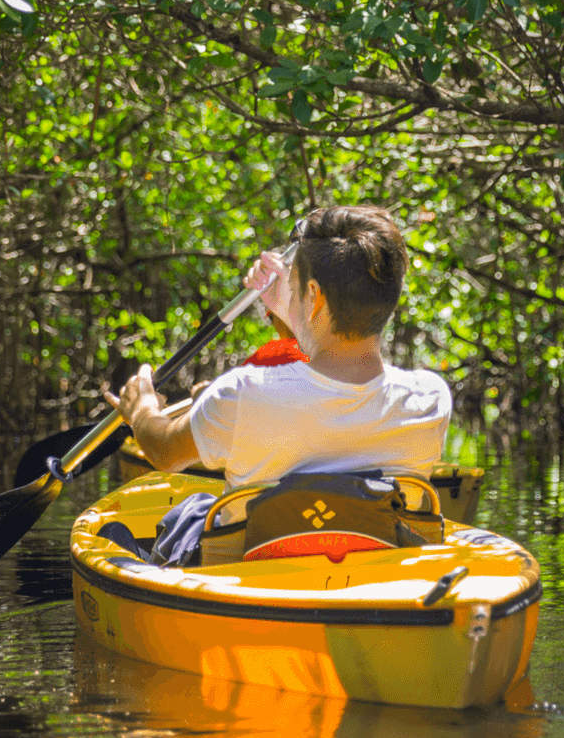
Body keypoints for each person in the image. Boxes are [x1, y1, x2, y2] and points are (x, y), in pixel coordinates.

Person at [103, 206, 453, 564]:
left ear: (314, 296)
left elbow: (164, 452)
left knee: (142, 528)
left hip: (250, 573)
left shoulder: (245, 393)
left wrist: (142, 409)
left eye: (298, 288)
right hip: (372, 568)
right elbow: (326, 377)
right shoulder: (430, 397)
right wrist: (294, 309)